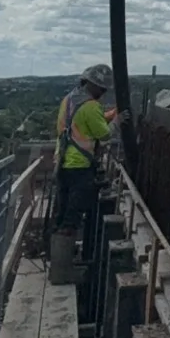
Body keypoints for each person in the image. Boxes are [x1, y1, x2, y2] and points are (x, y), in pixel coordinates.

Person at [53, 63, 115, 235]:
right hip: (80, 166)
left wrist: (111, 115)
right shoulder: (91, 106)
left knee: (62, 210)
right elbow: (104, 134)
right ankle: (64, 255)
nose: (103, 93)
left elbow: (84, 122)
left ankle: (56, 251)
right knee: (72, 218)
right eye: (102, 89)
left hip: (62, 162)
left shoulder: (69, 100)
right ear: (93, 85)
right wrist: (117, 122)